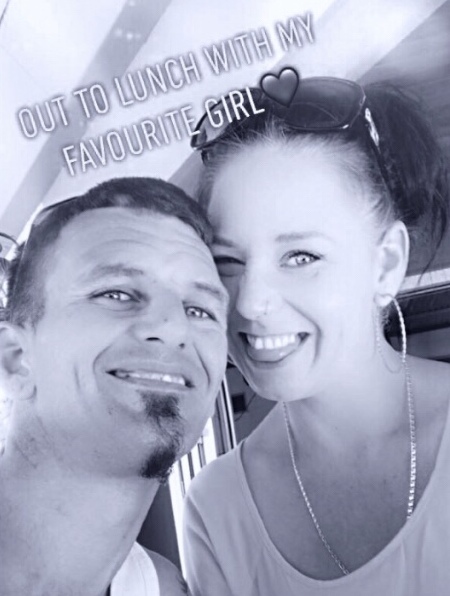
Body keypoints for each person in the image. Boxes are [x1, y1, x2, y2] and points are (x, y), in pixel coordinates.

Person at [183, 76, 450, 595]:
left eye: (301, 256)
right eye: (228, 261)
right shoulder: (217, 511)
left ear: (385, 263)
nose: (250, 302)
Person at [0, 176, 228, 596]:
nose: (174, 327)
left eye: (200, 310)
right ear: (15, 359)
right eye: (117, 294)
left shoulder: (161, 588)